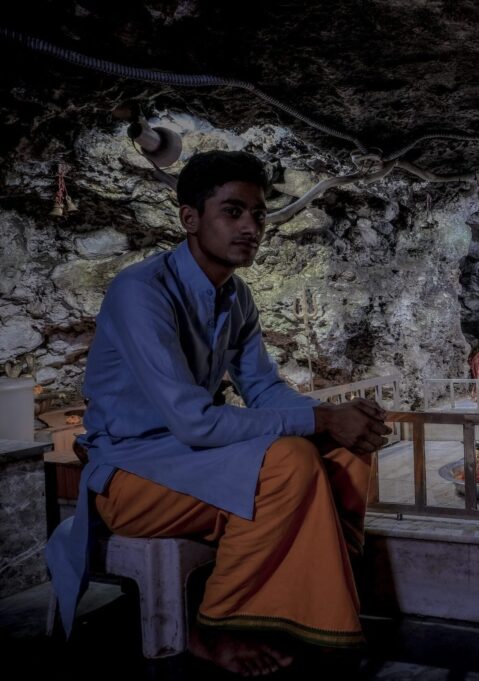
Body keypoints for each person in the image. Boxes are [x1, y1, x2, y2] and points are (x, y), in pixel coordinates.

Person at [45, 150, 390, 676]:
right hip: (131, 477)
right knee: (290, 461)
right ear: (190, 219)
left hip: (191, 463)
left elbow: (265, 391)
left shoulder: (236, 296)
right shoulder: (141, 291)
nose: (251, 227)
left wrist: (336, 417)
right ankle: (217, 625)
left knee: (342, 451)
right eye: (233, 211)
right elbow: (195, 422)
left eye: (257, 214)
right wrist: (319, 421)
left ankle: (309, 603)